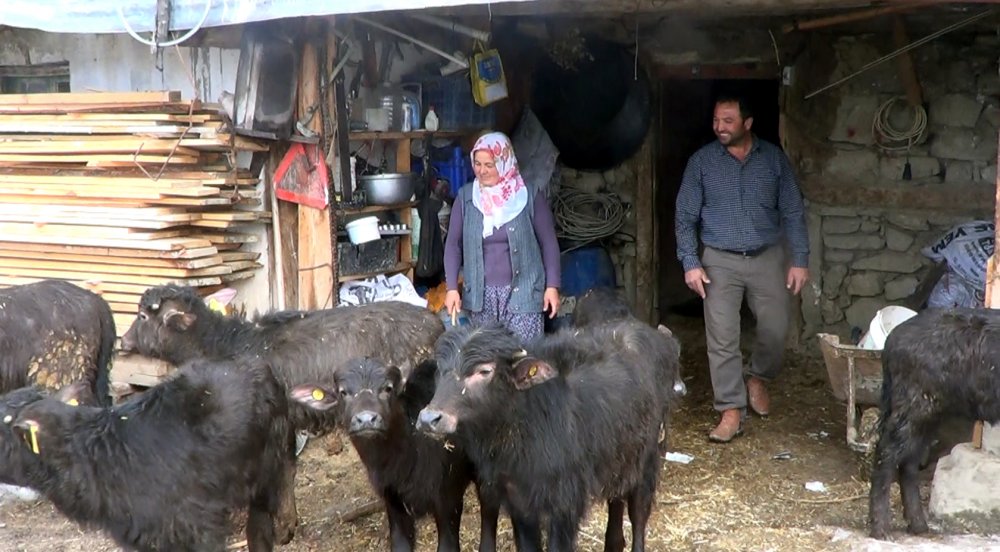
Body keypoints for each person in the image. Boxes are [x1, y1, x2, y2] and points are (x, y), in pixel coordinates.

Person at [674, 94, 809, 443]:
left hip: (766, 256)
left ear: (747, 124)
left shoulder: (773, 160)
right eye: (716, 120)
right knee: (722, 336)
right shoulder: (702, 162)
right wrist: (690, 262)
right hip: (719, 260)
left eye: (728, 121)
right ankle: (731, 409)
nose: (719, 127)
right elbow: (685, 217)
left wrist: (800, 260)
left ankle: (758, 377)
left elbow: (793, 211)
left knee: (776, 327)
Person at [443, 131, 561, 343]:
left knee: (524, 356)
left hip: (524, 294)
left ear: (505, 162)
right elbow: (453, 245)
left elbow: (549, 243)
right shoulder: (466, 198)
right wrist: (452, 288)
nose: (482, 171)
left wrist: (552, 286)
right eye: (477, 164)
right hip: (481, 299)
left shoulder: (528, 196)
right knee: (486, 358)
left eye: (489, 165)